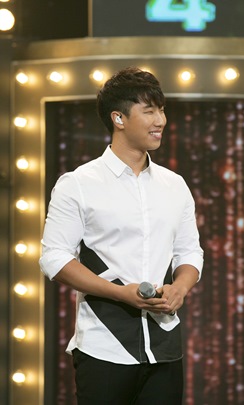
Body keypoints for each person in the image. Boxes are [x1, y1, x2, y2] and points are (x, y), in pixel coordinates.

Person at [39, 67, 204, 404]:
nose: (160, 120)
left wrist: (180, 288)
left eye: (162, 110)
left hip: (164, 345)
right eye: (149, 111)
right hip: (104, 346)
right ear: (119, 118)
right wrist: (120, 293)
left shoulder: (174, 185)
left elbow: (189, 252)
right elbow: (54, 258)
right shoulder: (78, 184)